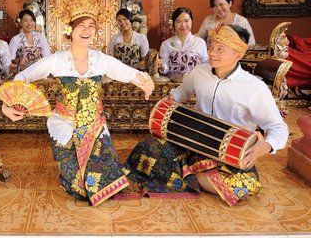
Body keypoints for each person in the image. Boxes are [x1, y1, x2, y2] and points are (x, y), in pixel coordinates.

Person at [1, 0, 155, 207]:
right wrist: (8, 105)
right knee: (79, 188)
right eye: (81, 25)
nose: (87, 30)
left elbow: (129, 73)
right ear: (70, 29)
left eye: (91, 25)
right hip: (65, 125)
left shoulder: (100, 59)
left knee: (104, 185)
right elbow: (23, 77)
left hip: (95, 128)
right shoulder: (56, 60)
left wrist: (145, 82)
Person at [123, 24, 288, 206]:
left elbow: (278, 128)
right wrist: (172, 99)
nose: (211, 53)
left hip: (228, 154)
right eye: (210, 46)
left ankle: (182, 174)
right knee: (147, 146)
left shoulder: (255, 88)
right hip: (191, 145)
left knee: (243, 185)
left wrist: (267, 146)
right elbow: (182, 91)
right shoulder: (199, 72)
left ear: (238, 54)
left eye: (220, 49)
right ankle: (194, 176)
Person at [158, 7, 208, 79]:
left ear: (191, 21)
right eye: (178, 21)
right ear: (173, 24)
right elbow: (165, 70)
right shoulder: (166, 44)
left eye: (186, 21)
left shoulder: (200, 42)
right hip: (173, 84)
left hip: (194, 83)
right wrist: (161, 65)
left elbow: (205, 65)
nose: (183, 25)